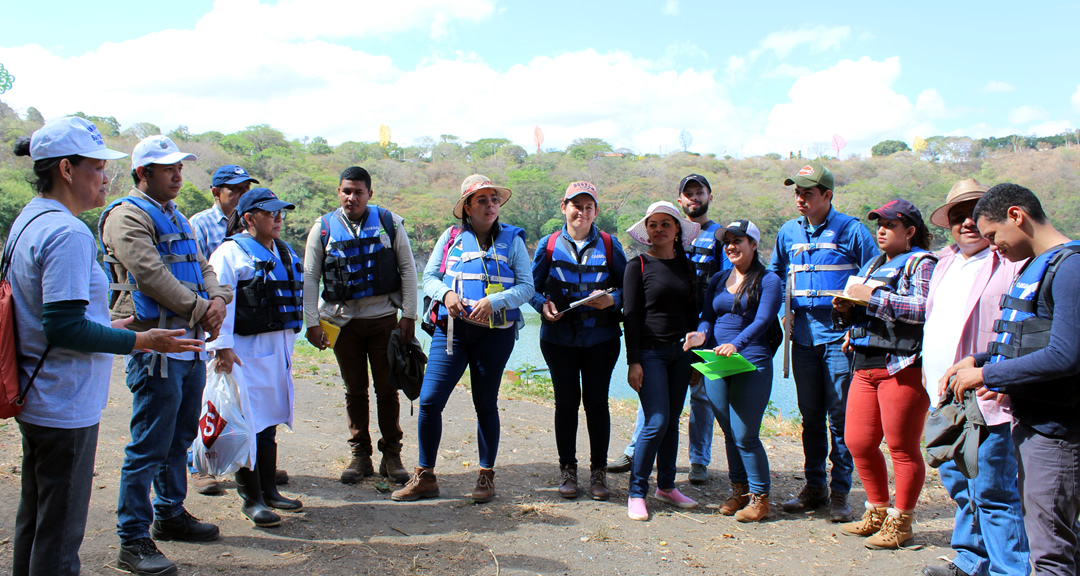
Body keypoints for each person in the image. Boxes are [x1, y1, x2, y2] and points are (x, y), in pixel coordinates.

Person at [9, 118, 202, 576]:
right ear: (67, 169)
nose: (105, 178)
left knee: (37, 519)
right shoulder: (68, 233)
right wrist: (139, 338)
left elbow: (47, 315)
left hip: (37, 391)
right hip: (63, 399)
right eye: (97, 167)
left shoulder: (29, 220)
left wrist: (109, 323)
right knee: (59, 533)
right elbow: (63, 328)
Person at [100, 135, 233, 576]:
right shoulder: (126, 216)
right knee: (149, 444)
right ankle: (132, 538)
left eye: (180, 167)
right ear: (143, 173)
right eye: (167, 169)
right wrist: (202, 310)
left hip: (190, 345)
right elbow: (150, 275)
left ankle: (170, 514)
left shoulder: (178, 216)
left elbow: (204, 265)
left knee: (178, 438)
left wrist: (215, 300)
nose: (178, 175)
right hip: (154, 346)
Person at [945, 183, 1080, 576]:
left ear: (1017, 216)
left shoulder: (1069, 267)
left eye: (993, 236)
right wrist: (981, 357)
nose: (993, 246)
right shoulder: (1035, 266)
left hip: (1056, 432)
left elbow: (1065, 355)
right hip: (1033, 424)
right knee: (1049, 539)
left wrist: (988, 374)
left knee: (1051, 553)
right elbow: (1030, 340)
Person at [391, 174, 533, 503]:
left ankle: (485, 476)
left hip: (494, 335)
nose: (490, 205)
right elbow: (430, 277)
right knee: (429, 401)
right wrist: (445, 295)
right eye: (481, 200)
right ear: (467, 207)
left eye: (494, 199)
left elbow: (526, 287)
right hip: (451, 333)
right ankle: (425, 476)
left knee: (485, 404)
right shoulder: (452, 237)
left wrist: (494, 301)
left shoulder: (513, 240)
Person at [920, 180, 1029, 576]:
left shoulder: (1010, 261)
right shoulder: (944, 261)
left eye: (974, 213)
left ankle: (1010, 569)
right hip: (943, 394)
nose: (966, 222)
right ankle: (970, 560)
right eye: (956, 216)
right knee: (961, 485)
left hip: (987, 395)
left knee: (995, 491)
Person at [767, 162, 878, 522]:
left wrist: (855, 326)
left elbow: (874, 278)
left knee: (840, 419)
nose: (800, 198)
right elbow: (774, 275)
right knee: (811, 417)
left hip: (840, 339)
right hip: (802, 340)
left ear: (827, 196)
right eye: (797, 192)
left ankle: (841, 493)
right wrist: (782, 313)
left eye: (808, 193)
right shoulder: (787, 232)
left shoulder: (853, 231)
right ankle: (814, 487)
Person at [608, 174, 730, 482]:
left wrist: (709, 330)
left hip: (702, 328)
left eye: (699, 192)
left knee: (699, 397)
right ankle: (638, 453)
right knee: (655, 403)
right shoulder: (643, 262)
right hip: (659, 337)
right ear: (680, 200)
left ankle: (697, 460)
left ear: (709, 197)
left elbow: (725, 282)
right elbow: (633, 309)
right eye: (688, 193)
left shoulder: (719, 237)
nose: (693, 197)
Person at [302, 166, 418, 485]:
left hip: (383, 320)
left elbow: (408, 269)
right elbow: (311, 277)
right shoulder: (322, 228)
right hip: (342, 323)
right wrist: (312, 323)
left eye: (358, 192)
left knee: (387, 389)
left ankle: (392, 454)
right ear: (338, 192)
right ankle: (360, 455)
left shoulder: (389, 223)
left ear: (370, 193)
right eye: (346, 191)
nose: (351, 197)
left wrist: (409, 315)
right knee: (355, 389)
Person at [832, 199, 936, 549]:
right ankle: (876, 510)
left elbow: (924, 308)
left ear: (909, 231)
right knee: (858, 441)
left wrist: (871, 297)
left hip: (902, 365)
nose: (881, 229)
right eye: (879, 223)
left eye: (890, 225)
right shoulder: (875, 263)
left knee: (902, 447)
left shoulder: (922, 263)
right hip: (865, 362)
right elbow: (865, 305)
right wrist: (847, 310)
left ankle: (901, 522)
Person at [207, 188, 305, 528]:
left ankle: (269, 491)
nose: (278, 218)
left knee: (268, 422)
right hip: (243, 351)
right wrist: (221, 346)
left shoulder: (285, 251)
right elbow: (220, 303)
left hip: (276, 349)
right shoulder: (230, 254)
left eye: (281, 212)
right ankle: (251, 499)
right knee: (247, 421)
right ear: (249, 218)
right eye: (270, 213)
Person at [530, 181, 627, 500]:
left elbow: (630, 290)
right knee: (566, 404)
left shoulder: (611, 246)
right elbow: (529, 288)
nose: (581, 212)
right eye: (576, 205)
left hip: (601, 340)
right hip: (559, 340)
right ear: (564, 206)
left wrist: (612, 301)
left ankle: (598, 473)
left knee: (597, 404)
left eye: (588, 207)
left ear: (596, 211)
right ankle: (567, 471)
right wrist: (543, 306)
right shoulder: (548, 244)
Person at [684, 220, 781, 522]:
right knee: (727, 431)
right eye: (728, 241)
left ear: (754, 245)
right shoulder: (719, 278)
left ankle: (760, 497)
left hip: (751, 362)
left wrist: (736, 344)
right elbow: (707, 316)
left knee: (746, 434)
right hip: (717, 360)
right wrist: (700, 335)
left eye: (739, 240)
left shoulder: (769, 280)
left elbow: (763, 321)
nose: (732, 246)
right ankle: (738, 489)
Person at [622, 201, 701, 521]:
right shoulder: (637, 265)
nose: (657, 230)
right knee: (655, 421)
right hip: (650, 353)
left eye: (664, 224)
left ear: (677, 230)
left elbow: (693, 315)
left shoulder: (686, 266)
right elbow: (631, 315)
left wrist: (695, 358)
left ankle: (666, 486)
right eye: (652, 224)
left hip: (680, 354)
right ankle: (636, 491)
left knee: (671, 421)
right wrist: (633, 361)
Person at [187, 164, 262, 496]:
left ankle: (248, 460)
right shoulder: (199, 225)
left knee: (241, 395)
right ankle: (201, 465)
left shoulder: (251, 227)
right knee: (208, 394)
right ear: (216, 193)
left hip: (238, 320)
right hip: (206, 318)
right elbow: (195, 273)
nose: (240, 196)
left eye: (245, 190)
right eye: (234, 190)